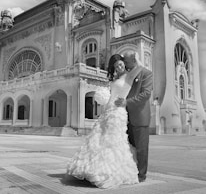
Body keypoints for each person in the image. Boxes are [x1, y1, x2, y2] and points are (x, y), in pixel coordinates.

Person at [66, 53, 143, 189]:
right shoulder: (114, 79)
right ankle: (94, 169)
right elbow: (111, 96)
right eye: (116, 66)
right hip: (108, 110)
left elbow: (140, 67)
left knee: (113, 140)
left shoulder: (129, 76)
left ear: (124, 63)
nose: (119, 67)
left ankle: (111, 172)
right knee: (99, 138)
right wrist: (103, 105)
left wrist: (135, 56)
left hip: (118, 111)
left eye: (120, 64)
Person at [115, 51, 153, 183]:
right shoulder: (126, 75)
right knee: (129, 147)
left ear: (133, 60)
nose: (124, 62)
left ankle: (141, 175)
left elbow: (146, 94)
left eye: (126, 60)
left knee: (141, 148)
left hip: (140, 117)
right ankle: (131, 172)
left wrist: (127, 102)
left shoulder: (146, 73)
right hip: (125, 117)